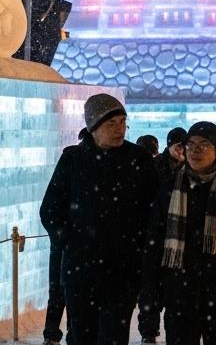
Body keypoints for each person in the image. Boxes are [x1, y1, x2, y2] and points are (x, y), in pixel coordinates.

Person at [40, 93, 160, 345]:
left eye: (123, 122)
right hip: (80, 269)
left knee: (114, 336)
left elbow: (154, 210)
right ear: (93, 127)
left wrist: (140, 248)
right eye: (111, 123)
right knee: (81, 335)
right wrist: (70, 240)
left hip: (123, 269)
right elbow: (50, 209)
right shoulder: (73, 159)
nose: (119, 129)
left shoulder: (138, 160)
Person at [145, 121, 216, 345]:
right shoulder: (169, 189)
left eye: (203, 145)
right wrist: (160, 281)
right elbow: (155, 238)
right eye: (190, 145)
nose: (195, 151)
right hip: (179, 292)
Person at [138, 127, 189, 345]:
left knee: (174, 289)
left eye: (185, 146)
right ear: (169, 146)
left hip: (179, 237)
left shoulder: (190, 169)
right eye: (178, 146)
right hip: (154, 235)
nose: (182, 150)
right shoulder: (154, 168)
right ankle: (148, 331)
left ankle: (173, 331)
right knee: (150, 287)